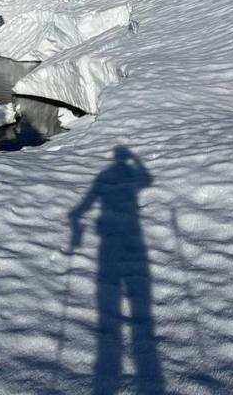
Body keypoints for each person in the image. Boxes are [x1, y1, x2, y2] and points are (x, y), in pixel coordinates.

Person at [69, 146, 164, 394]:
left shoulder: (104, 176)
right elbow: (148, 179)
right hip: (127, 237)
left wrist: (77, 217)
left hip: (113, 241)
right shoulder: (125, 173)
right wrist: (135, 160)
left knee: (110, 294)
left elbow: (87, 202)